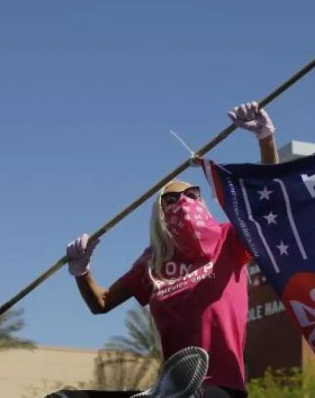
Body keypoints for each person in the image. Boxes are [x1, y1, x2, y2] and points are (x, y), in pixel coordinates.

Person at [65, 102, 278, 398]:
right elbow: (101, 303)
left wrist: (265, 138)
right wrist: (81, 271)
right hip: (170, 390)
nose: (185, 202)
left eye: (193, 195)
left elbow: (269, 203)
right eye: (173, 199)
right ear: (161, 214)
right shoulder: (152, 261)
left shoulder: (230, 241)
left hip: (221, 389)